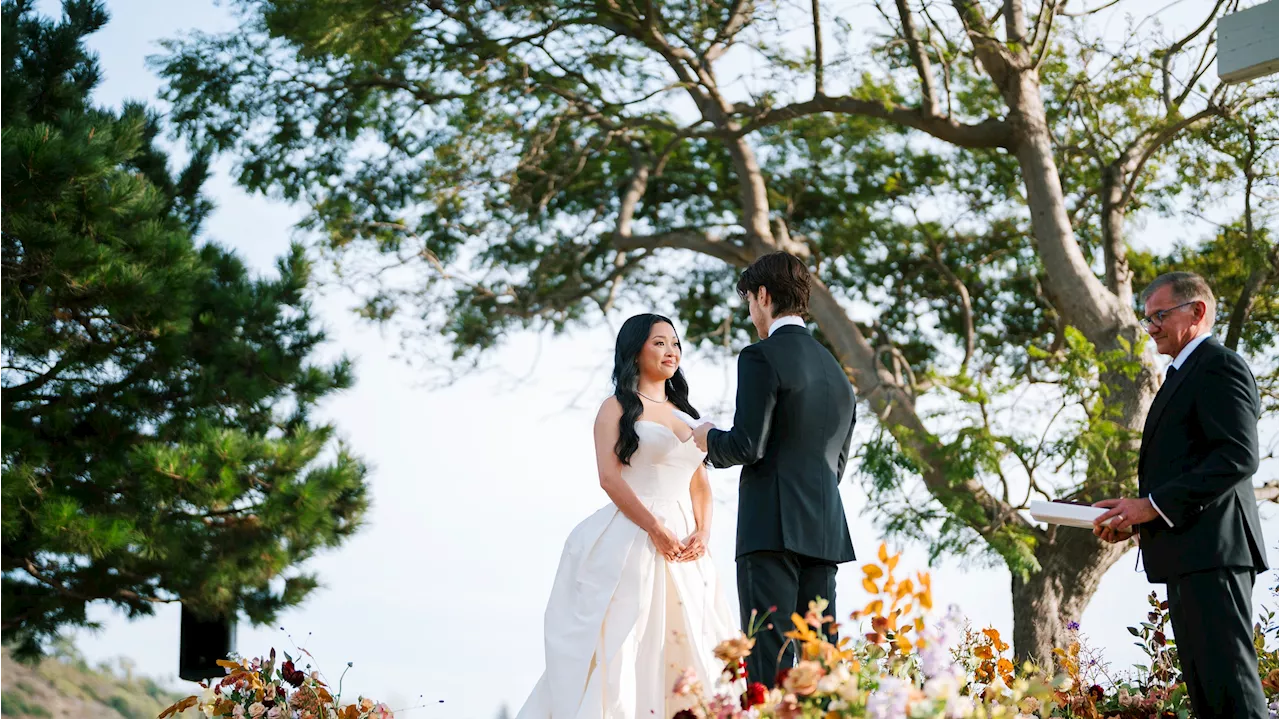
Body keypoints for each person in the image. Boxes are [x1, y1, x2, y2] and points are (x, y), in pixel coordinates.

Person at [516, 314, 737, 719]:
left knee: (691, 640)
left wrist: (702, 532)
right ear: (635, 349)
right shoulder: (615, 407)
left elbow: (699, 483)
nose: (671, 351)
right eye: (659, 343)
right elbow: (609, 478)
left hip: (687, 546)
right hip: (635, 535)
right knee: (629, 638)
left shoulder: (687, 414)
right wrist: (655, 529)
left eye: (675, 343)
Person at [1093, 271, 1268, 719]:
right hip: (1189, 556)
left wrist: (1151, 506)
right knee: (1210, 697)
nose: (1149, 326)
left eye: (1159, 315)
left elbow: (1239, 456)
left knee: (1232, 692)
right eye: (1146, 316)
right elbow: (1187, 465)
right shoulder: (1181, 374)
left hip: (1216, 555)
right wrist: (1136, 519)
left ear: (1198, 311)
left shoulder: (1219, 365)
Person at [692, 251, 857, 687]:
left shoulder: (761, 356)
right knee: (820, 666)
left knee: (770, 660)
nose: (750, 314)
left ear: (763, 296)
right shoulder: (838, 374)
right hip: (824, 531)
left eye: (748, 302)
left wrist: (705, 438)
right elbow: (836, 464)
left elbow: (747, 445)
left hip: (770, 530)